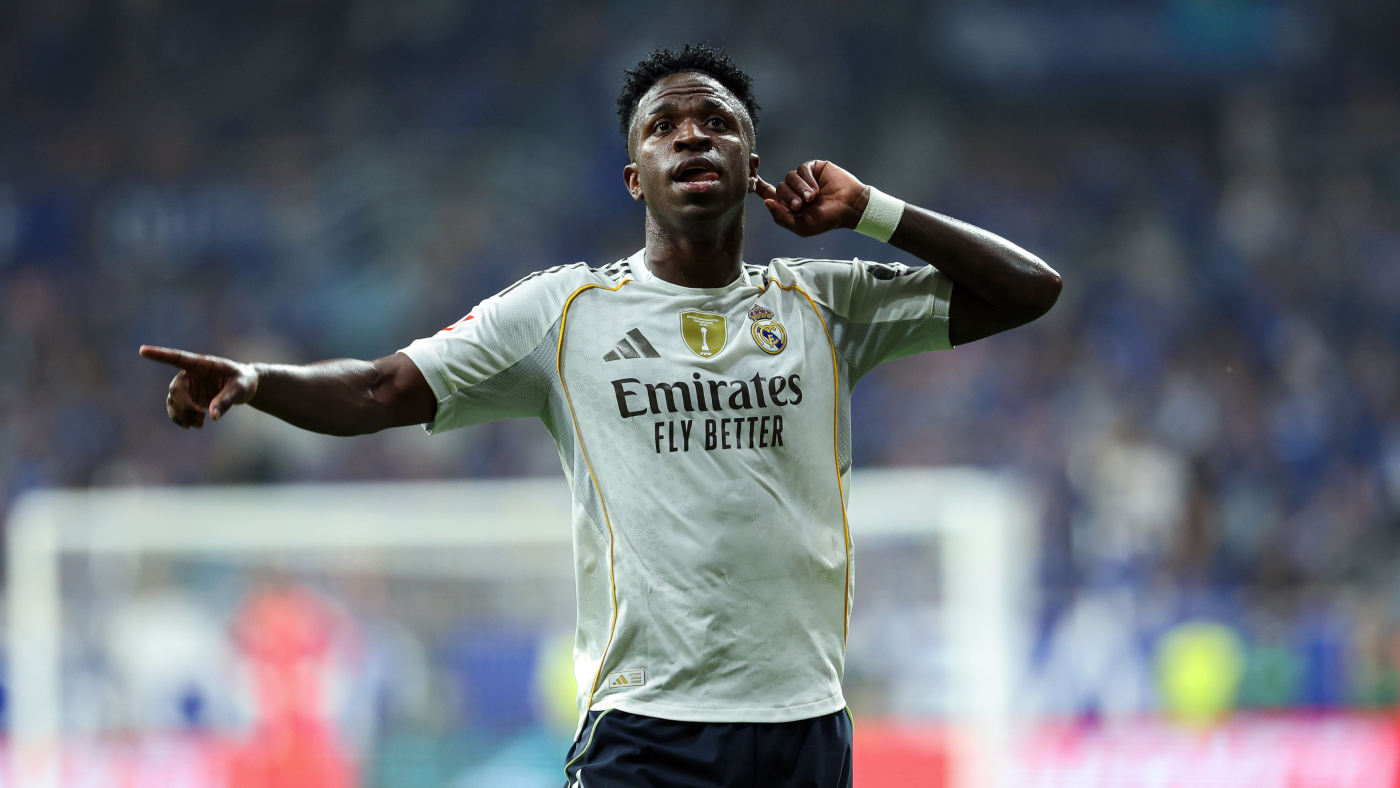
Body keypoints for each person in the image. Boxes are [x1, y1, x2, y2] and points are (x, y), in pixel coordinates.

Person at [141, 44, 1060, 788]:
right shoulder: (564, 312)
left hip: (804, 729)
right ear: (634, 178)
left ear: (752, 168)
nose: (692, 136)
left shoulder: (825, 304)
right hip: (646, 733)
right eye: (665, 127)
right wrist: (256, 380)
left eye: (717, 124)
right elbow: (380, 389)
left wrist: (875, 212)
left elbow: (1030, 290)